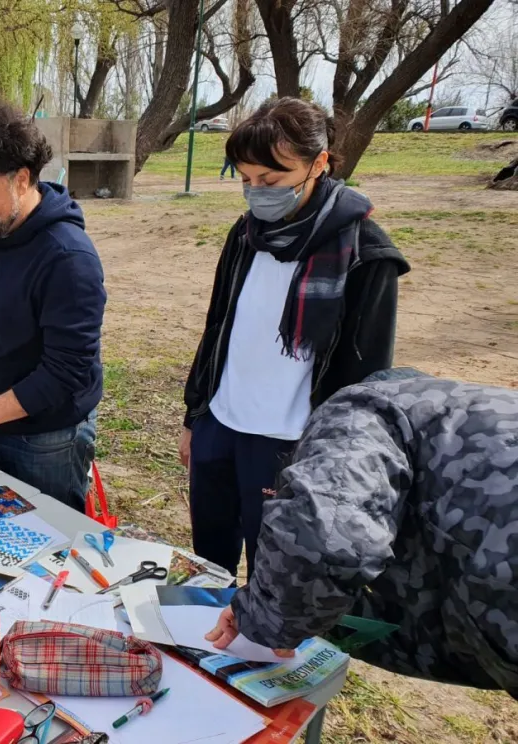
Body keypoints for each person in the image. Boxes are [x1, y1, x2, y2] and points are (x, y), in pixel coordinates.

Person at [180, 97, 410, 581]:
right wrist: (194, 417)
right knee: (208, 565)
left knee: (276, 575)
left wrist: (335, 466)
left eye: (272, 179)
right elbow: (218, 326)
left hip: (290, 445)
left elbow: (365, 382)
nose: (257, 193)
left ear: (319, 162)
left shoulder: (367, 255)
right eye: (246, 180)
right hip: (221, 427)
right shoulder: (245, 235)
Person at [206, 368, 518, 696]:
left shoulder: (363, 409)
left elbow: (322, 537)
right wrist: (324, 623)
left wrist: (259, 615)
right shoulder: (456, 417)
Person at [0, 99, 106, 512]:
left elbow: (67, 370)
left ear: (22, 179)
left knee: (51, 546)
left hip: (47, 439)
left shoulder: (68, 259)